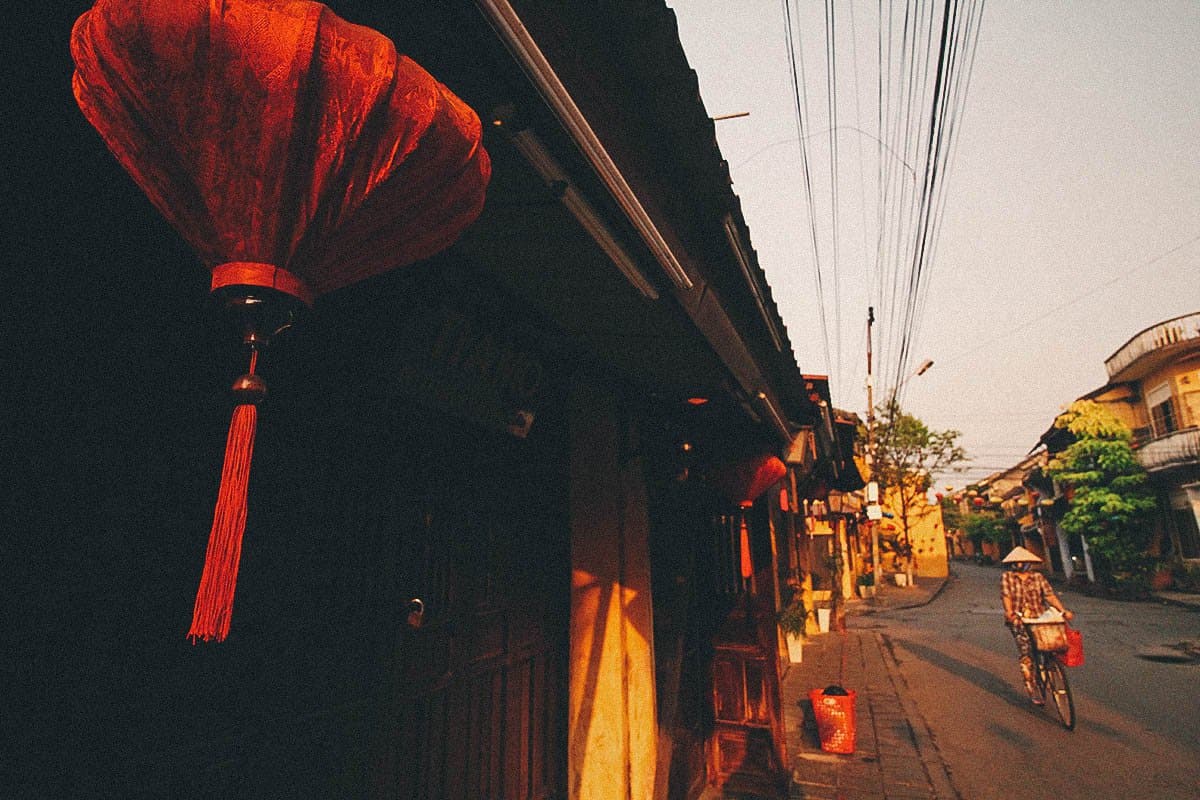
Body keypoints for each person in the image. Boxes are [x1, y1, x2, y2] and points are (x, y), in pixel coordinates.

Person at [1000, 546, 1074, 704]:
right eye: (1017, 562)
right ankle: (1032, 688)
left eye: (1022, 561)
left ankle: (1049, 668)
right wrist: (1009, 612)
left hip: (1039, 618)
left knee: (1051, 646)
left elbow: (1050, 596)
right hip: (1019, 620)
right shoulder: (1007, 577)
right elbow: (1006, 596)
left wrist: (1063, 610)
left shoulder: (1038, 577)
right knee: (1027, 654)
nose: (1020, 564)